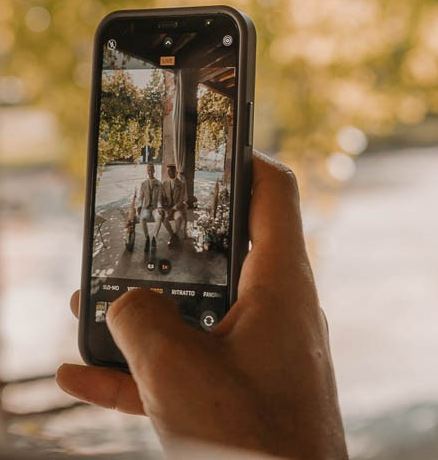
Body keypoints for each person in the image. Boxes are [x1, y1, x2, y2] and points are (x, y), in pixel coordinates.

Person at [57, 153, 347, 460]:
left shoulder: (176, 186)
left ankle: (162, 239)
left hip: (170, 212)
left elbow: (177, 199)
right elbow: (144, 198)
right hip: (155, 213)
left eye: (164, 169)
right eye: (160, 169)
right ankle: (156, 240)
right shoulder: (148, 186)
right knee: (153, 227)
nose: (162, 172)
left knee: (168, 225)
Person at [138, 163, 164, 253]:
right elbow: (140, 197)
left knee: (159, 217)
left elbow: (160, 198)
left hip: (155, 207)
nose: (150, 172)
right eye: (148, 170)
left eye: (151, 170)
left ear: (154, 171)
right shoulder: (143, 184)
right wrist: (139, 206)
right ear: (147, 171)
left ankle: (154, 238)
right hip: (146, 207)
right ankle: (147, 238)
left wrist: (160, 207)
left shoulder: (159, 184)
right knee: (142, 218)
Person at [164, 164, 188, 244]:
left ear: (175, 172)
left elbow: (181, 200)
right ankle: (173, 235)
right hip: (168, 208)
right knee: (164, 219)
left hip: (177, 208)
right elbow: (163, 197)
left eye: (170, 171)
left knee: (179, 218)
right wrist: (165, 207)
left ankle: (175, 234)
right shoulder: (165, 183)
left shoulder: (181, 184)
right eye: (168, 171)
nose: (169, 173)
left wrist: (173, 208)